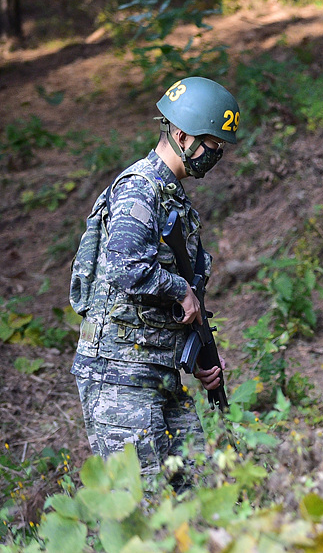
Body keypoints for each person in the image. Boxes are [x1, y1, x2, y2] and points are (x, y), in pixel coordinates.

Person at [69, 76, 240, 490]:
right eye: (211, 147)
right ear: (181, 134)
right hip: (119, 376)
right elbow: (126, 265)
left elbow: (166, 297)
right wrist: (181, 291)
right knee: (144, 507)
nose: (213, 158)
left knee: (203, 492)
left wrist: (197, 355)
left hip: (158, 371)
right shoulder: (139, 189)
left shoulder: (173, 198)